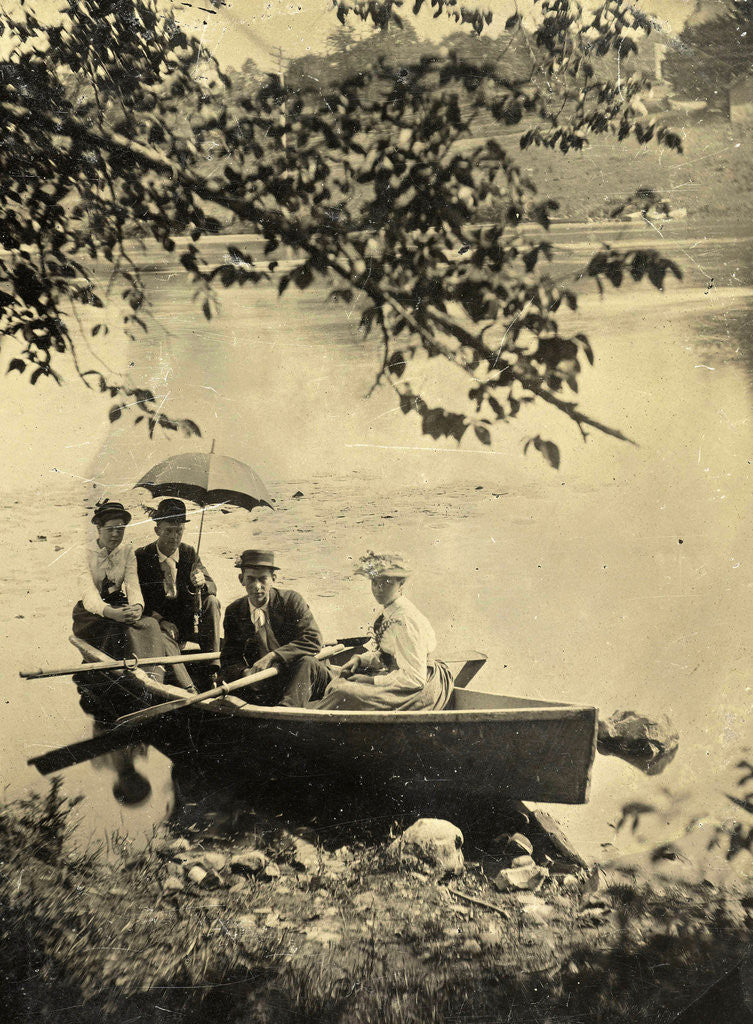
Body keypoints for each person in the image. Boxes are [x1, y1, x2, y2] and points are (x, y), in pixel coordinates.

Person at [72, 499, 196, 692]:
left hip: (118, 606)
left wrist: (137, 607)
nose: (115, 534)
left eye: (120, 529)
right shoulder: (83, 553)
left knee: (151, 624)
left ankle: (154, 676)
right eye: (110, 529)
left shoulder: (128, 552)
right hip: (92, 614)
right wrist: (111, 613)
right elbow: (89, 595)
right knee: (123, 629)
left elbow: (133, 586)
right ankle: (141, 674)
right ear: (99, 528)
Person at [311, 551, 453, 711]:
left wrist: (371, 682)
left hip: (421, 687)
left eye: (386, 582)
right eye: (374, 582)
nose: (379, 589)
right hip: (402, 675)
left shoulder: (405, 620)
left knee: (344, 692)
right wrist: (362, 660)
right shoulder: (388, 611)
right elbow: (388, 653)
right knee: (342, 682)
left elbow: (415, 679)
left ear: (401, 584)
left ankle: (312, 723)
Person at [221, 549, 325, 706]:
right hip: (268, 681)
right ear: (241, 579)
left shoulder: (291, 601)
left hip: (306, 678)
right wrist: (246, 674)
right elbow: (230, 658)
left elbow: (313, 640)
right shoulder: (234, 611)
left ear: (273, 579)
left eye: (263, 579)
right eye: (251, 579)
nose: (257, 586)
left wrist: (272, 656)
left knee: (307, 662)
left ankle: (286, 711)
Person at [135, 498, 221, 684]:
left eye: (179, 531)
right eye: (169, 531)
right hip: (160, 623)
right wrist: (160, 621)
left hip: (189, 622)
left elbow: (213, 587)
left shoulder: (189, 553)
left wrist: (202, 582)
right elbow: (136, 600)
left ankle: (213, 666)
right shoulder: (142, 556)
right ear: (157, 530)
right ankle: (187, 685)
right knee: (164, 639)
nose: (174, 537)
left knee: (212, 602)